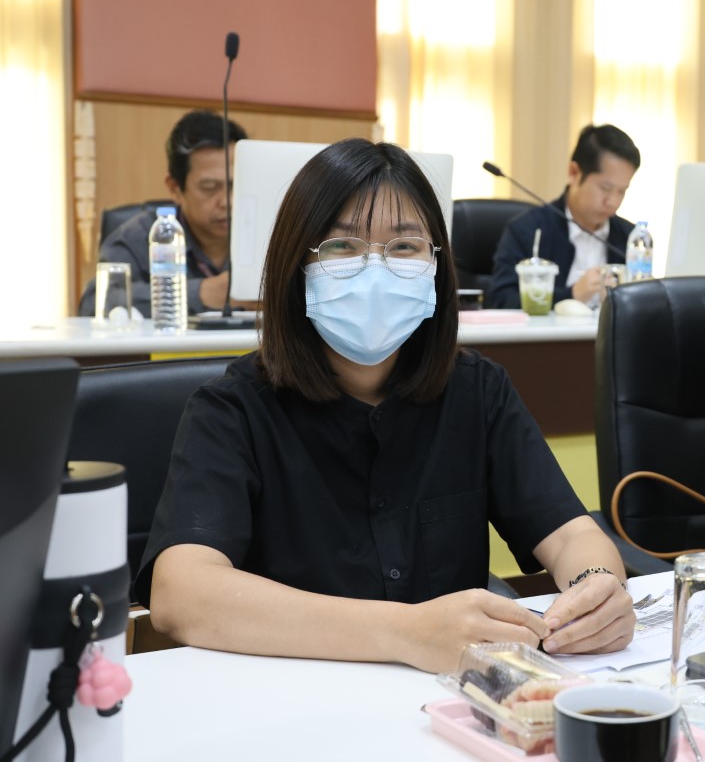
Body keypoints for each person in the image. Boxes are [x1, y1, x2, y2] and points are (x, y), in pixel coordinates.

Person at [137, 138, 636, 673]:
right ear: (296, 263)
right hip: (289, 697)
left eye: (404, 246)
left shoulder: (478, 390)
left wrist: (598, 587)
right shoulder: (232, 409)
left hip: (448, 704)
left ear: (436, 267)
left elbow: (572, 534)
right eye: (342, 245)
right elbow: (180, 593)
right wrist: (406, 633)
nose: (374, 268)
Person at [77, 109, 251, 317]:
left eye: (235, 185)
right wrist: (201, 293)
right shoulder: (140, 237)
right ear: (175, 188)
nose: (227, 202)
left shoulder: (265, 233)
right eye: (209, 187)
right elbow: (95, 302)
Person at [488, 124, 640, 309]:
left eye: (622, 191)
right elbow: (501, 300)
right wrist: (571, 295)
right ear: (574, 173)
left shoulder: (630, 237)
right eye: (605, 188)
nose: (613, 202)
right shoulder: (527, 230)